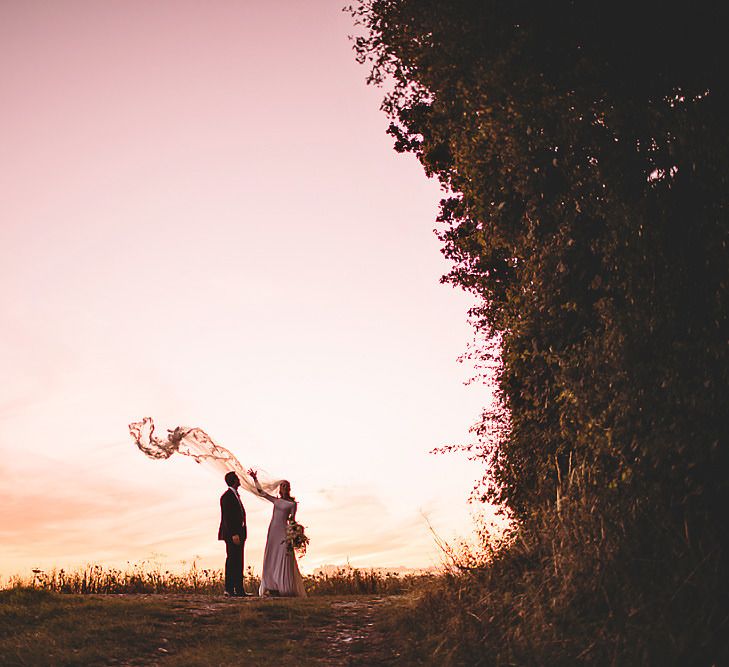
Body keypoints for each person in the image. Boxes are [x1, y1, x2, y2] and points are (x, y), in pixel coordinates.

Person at [248, 468, 306, 597]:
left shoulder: (292, 504)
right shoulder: (276, 500)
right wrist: (255, 479)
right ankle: (271, 586)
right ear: (280, 489)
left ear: (289, 488)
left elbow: (292, 520)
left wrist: (295, 533)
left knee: (283, 556)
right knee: (271, 555)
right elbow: (261, 492)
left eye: (286, 486)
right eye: (282, 486)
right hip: (273, 530)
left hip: (283, 532)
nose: (284, 488)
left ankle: (284, 586)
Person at [218, 471, 249, 597]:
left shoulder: (235, 495)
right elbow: (228, 517)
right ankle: (229, 589)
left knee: (239, 560)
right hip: (233, 534)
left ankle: (239, 589)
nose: (239, 480)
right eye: (237, 478)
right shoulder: (227, 496)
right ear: (234, 481)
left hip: (240, 532)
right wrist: (234, 534)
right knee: (232, 560)